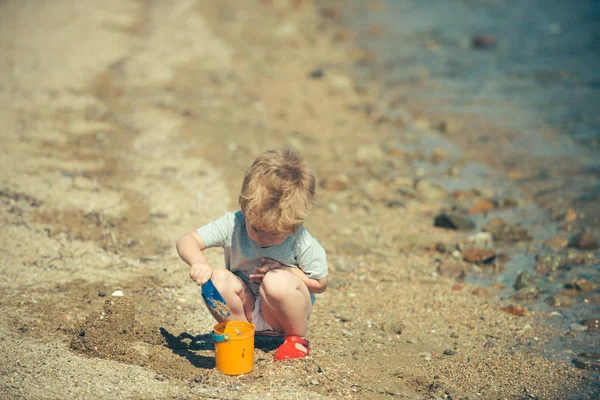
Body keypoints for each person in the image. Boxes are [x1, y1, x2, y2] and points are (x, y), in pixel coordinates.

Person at [176, 149, 328, 360]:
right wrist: (198, 262)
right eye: (256, 228)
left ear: (294, 224)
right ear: (245, 210)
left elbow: (320, 284)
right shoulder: (234, 223)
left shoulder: (301, 240)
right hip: (246, 308)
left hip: (281, 316)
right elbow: (187, 240)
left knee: (277, 281)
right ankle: (240, 332)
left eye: (275, 234)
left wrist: (288, 271)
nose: (263, 239)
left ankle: (295, 340)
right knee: (216, 279)